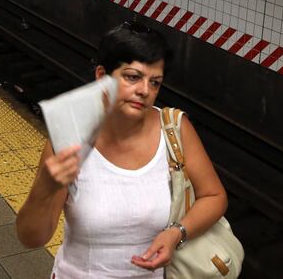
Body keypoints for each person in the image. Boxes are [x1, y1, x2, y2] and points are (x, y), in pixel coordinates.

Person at [16, 21, 228, 277]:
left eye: (155, 82)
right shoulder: (71, 137)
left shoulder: (174, 129)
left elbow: (214, 196)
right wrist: (45, 187)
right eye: (132, 77)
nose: (144, 91)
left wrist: (176, 233)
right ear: (102, 76)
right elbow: (32, 238)